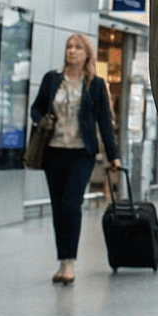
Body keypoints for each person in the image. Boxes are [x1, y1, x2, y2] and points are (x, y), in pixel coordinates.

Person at [30, 33, 119, 284]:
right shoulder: (52, 79)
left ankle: (70, 264)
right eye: (69, 47)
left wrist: (114, 157)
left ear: (87, 54)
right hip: (54, 151)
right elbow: (35, 108)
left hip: (82, 153)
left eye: (78, 48)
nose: (72, 51)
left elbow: (105, 123)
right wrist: (40, 119)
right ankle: (62, 261)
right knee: (59, 208)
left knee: (71, 204)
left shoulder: (96, 85)